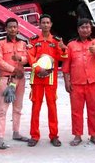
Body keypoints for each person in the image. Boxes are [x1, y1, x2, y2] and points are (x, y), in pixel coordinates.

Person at [62, 18, 95, 146]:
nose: (85, 29)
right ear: (78, 29)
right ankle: (77, 135)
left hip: (94, 83)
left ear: (91, 29)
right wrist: (67, 82)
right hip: (76, 83)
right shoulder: (71, 45)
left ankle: (94, 135)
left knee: (94, 110)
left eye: (87, 27)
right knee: (76, 111)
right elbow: (66, 66)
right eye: (82, 27)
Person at [26, 14, 68, 147]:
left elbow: (63, 57)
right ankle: (34, 135)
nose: (45, 25)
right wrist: (38, 69)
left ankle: (54, 135)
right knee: (35, 107)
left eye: (47, 23)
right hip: (37, 78)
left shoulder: (56, 41)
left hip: (50, 79)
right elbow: (30, 57)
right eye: (43, 22)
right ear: (39, 24)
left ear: (51, 25)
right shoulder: (33, 40)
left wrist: (62, 47)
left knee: (52, 107)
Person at [0, 18, 29, 149]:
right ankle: (0, 138)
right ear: (6, 29)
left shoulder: (23, 43)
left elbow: (27, 58)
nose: (13, 29)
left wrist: (20, 59)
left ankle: (16, 132)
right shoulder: (0, 44)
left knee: (18, 108)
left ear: (18, 28)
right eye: (10, 27)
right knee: (2, 109)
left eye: (15, 27)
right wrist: (14, 70)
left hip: (20, 79)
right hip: (7, 79)